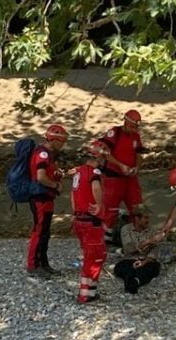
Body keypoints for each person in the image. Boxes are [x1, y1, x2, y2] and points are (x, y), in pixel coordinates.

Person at [70, 140, 110, 303]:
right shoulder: (94, 172)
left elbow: (73, 194)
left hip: (79, 220)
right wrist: (99, 204)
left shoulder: (78, 172)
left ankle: (90, 291)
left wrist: (75, 213)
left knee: (89, 254)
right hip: (91, 221)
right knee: (96, 256)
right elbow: (95, 187)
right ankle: (85, 293)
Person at [99, 109, 145, 246]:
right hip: (113, 178)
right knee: (110, 210)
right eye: (132, 126)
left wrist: (137, 167)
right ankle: (104, 241)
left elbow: (139, 155)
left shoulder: (136, 137)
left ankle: (138, 239)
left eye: (136, 127)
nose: (133, 129)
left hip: (130, 178)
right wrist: (120, 166)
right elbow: (104, 152)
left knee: (137, 207)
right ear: (125, 122)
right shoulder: (115, 133)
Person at [27, 124, 67, 277]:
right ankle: (33, 265)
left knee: (45, 232)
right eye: (61, 142)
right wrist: (55, 185)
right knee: (39, 231)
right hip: (40, 197)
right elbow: (41, 177)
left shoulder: (48, 155)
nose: (62, 145)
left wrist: (57, 175)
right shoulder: (43, 154)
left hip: (47, 197)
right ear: (54, 140)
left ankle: (43, 263)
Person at [115, 205, 166, 294]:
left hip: (146, 261)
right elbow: (129, 248)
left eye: (148, 218)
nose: (148, 221)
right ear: (137, 219)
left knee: (153, 268)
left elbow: (154, 250)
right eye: (145, 218)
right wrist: (148, 241)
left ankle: (135, 282)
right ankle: (132, 281)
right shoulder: (126, 229)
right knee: (121, 267)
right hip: (129, 259)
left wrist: (145, 261)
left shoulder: (152, 230)